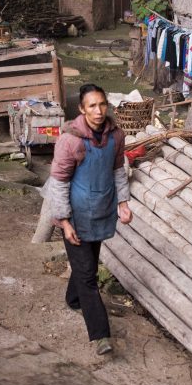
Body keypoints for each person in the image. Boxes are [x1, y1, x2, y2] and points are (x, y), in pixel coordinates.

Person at [46, 84, 132, 355]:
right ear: (82, 109)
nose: (98, 111)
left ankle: (73, 299)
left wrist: (123, 202)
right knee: (88, 275)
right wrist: (64, 221)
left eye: (102, 104)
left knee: (88, 265)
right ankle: (100, 335)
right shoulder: (70, 139)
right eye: (92, 106)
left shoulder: (116, 136)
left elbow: (118, 169)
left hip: (102, 210)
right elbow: (58, 183)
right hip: (77, 215)